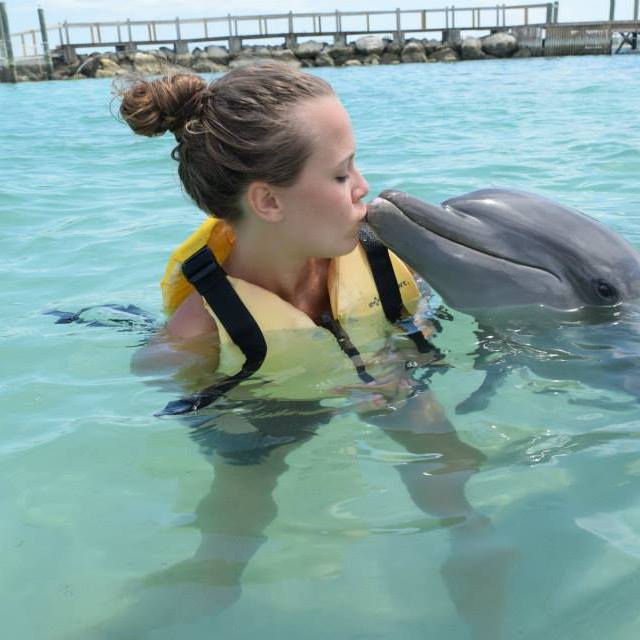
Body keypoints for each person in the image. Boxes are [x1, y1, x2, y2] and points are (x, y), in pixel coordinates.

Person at [113, 62, 513, 640]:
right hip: (269, 410)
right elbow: (157, 376)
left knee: (448, 460)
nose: (362, 186)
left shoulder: (382, 261)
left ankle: (470, 537)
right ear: (269, 202)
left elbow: (420, 322)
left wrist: (408, 360)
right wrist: (236, 406)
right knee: (238, 515)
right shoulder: (201, 325)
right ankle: (209, 583)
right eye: (340, 173)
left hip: (376, 380)